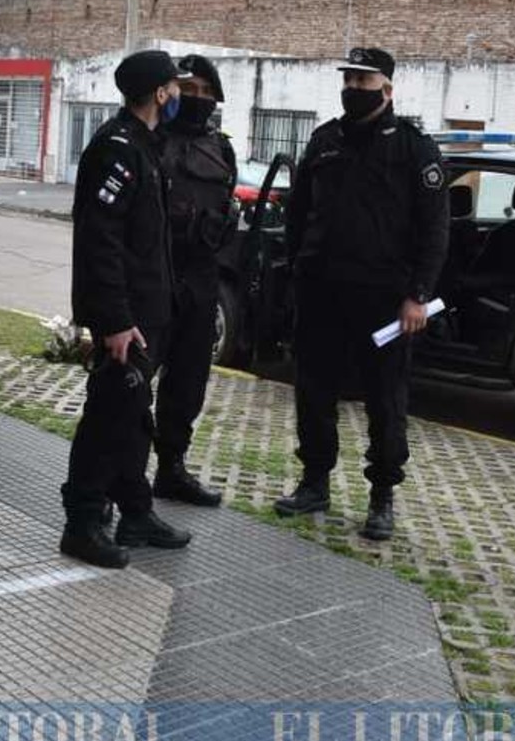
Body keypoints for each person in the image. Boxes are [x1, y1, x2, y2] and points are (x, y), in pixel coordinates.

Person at [273, 47, 448, 541]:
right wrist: (298, 272)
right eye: (348, 79)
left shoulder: (414, 149)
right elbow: (297, 214)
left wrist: (418, 296)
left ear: (387, 89)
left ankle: (381, 496)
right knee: (314, 391)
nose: (352, 88)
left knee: (385, 400)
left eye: (363, 81)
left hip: (384, 301)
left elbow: (435, 231)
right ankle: (314, 483)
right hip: (322, 293)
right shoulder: (325, 140)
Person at [60, 49, 193, 569]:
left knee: (134, 418)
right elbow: (102, 242)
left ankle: (135, 512)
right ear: (160, 93)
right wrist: (114, 320)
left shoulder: (145, 146)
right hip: (126, 318)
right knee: (108, 417)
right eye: (175, 87)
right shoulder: (117, 149)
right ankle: (83, 521)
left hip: (148, 311)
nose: (180, 95)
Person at [152, 55, 238, 507]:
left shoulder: (221, 149)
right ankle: (113, 477)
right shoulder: (145, 138)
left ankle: (171, 469)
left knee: (187, 384)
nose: (197, 99)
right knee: (127, 386)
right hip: (152, 275)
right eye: (189, 89)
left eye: (206, 93)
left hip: (201, 279)